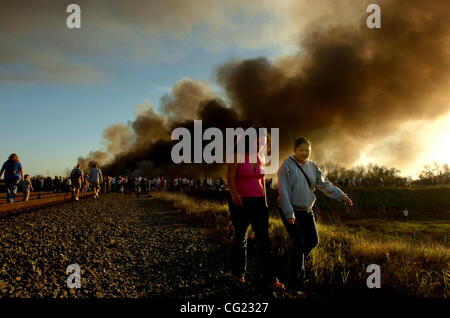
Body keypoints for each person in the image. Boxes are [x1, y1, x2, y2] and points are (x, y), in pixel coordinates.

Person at [277, 137, 353, 291]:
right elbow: (283, 190)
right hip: (292, 211)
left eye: (307, 150)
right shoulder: (287, 165)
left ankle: (292, 264)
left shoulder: (312, 166)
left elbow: (324, 184)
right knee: (299, 243)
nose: (304, 153)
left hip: (307, 210)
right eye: (301, 150)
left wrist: (341, 196)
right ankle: (296, 282)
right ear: (294, 151)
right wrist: (289, 212)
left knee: (313, 241)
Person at [227, 128, 285, 291]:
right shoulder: (237, 155)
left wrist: (265, 201)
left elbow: (262, 180)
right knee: (240, 237)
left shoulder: (261, 157)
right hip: (241, 201)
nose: (261, 145)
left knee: (264, 240)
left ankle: (270, 278)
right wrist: (234, 195)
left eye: (264, 143)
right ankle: (238, 274)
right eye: (258, 141)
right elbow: (230, 177)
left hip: (259, 201)